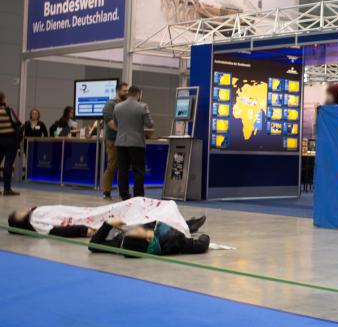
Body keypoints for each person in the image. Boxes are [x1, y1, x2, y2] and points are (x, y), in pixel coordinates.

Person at [7, 197, 208, 256]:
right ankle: (186, 225)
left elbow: (95, 245)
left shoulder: (36, 211)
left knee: (135, 208)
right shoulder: (35, 221)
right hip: (88, 219)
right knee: (137, 208)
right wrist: (82, 230)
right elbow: (55, 230)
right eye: (18, 213)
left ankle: (186, 224)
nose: (22, 209)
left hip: (89, 215)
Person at [113, 85, 154, 200]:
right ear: (139, 94)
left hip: (120, 142)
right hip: (137, 143)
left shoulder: (117, 107)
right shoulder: (143, 107)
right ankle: (138, 195)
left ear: (129, 93)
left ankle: (124, 195)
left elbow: (116, 124)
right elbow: (150, 124)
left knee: (122, 170)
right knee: (138, 170)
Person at [101, 82, 129, 200]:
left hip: (126, 140)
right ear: (118, 91)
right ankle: (106, 191)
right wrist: (124, 131)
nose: (126, 93)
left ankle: (123, 191)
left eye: (128, 91)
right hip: (113, 140)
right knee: (112, 166)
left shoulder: (127, 105)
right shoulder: (110, 105)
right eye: (124, 91)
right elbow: (110, 123)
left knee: (124, 167)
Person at [0, 91, 22, 196]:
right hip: (10, 140)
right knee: (8, 165)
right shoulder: (8, 110)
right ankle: (7, 189)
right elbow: (18, 123)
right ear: (3, 99)